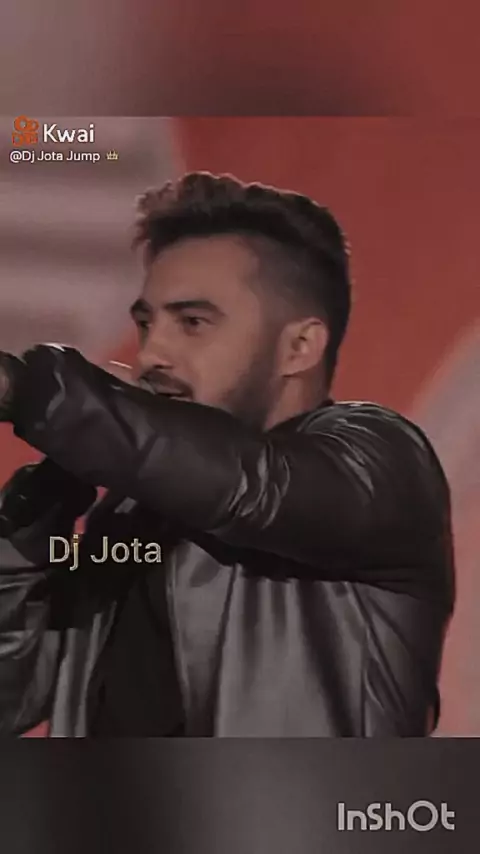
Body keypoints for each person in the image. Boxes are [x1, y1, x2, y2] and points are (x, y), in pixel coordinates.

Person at [0, 172, 454, 737]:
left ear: (299, 346)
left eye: (192, 323)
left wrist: (28, 392)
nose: (151, 353)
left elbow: (250, 486)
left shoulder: (379, 460)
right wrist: (30, 524)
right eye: (146, 324)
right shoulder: (126, 515)